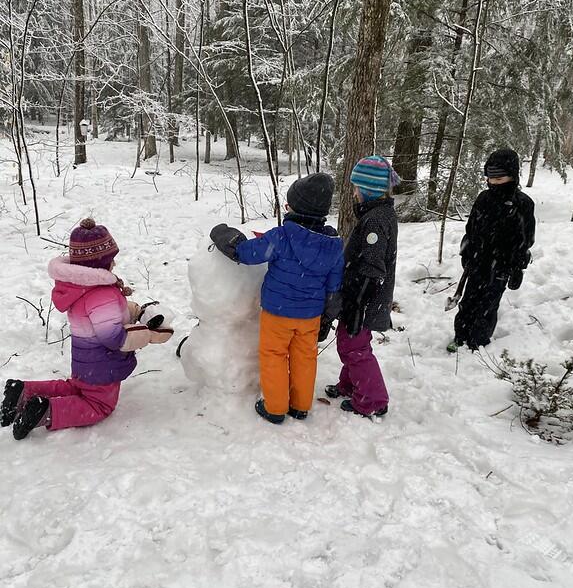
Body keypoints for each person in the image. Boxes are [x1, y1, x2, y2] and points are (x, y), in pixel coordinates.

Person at [0, 218, 172, 440]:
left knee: (76, 389)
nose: (115, 264)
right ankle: (46, 411)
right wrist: (147, 334)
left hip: (86, 364)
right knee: (98, 404)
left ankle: (23, 391)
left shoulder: (81, 288)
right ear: (99, 264)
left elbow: (102, 317)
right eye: (111, 260)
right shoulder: (102, 293)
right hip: (103, 366)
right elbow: (114, 337)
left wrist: (135, 311)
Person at [210, 173, 344, 425]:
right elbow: (335, 285)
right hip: (311, 316)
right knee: (305, 358)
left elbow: (246, 254)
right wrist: (328, 314)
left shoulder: (281, 236)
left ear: (293, 208)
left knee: (274, 356)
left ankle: (275, 407)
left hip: (278, 313)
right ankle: (301, 405)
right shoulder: (333, 245)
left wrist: (224, 235)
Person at [324, 155, 399, 418]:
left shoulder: (376, 220)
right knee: (350, 343)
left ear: (368, 190)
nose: (353, 192)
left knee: (354, 346)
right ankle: (351, 385)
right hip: (360, 294)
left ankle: (373, 400)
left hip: (365, 297)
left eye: (356, 188)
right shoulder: (376, 214)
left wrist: (357, 303)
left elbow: (372, 267)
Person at [448, 148, 536, 352]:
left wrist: (517, 267)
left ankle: (478, 341)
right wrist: (466, 251)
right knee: (469, 301)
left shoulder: (522, 204)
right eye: (490, 177)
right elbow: (471, 229)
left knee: (488, 304)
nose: (494, 182)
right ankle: (460, 336)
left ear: (512, 176)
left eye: (500, 177)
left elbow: (525, 240)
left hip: (502, 266)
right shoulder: (483, 199)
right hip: (478, 261)